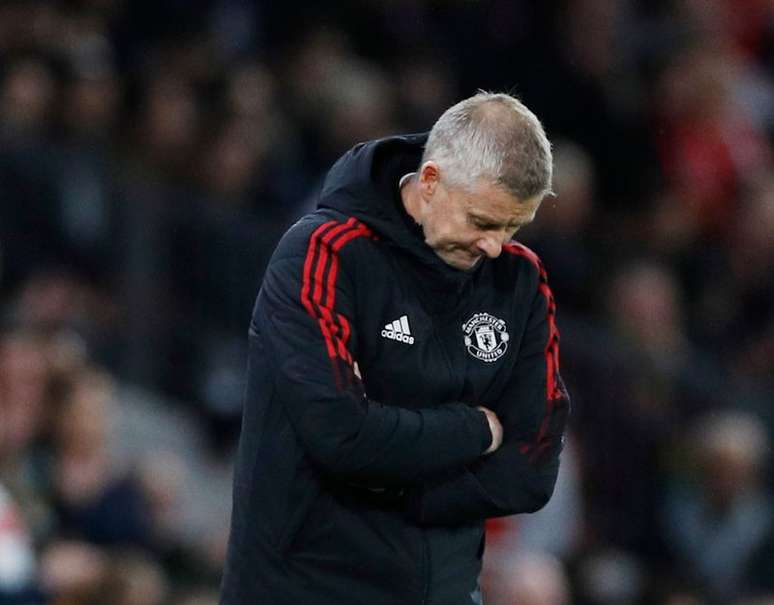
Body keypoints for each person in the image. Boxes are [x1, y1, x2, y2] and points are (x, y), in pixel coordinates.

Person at [220, 92, 570, 605]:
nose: (495, 246)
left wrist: (394, 482)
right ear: (430, 182)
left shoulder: (520, 280)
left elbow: (533, 466)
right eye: (482, 221)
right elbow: (339, 434)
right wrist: (475, 428)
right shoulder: (324, 254)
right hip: (306, 587)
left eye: (513, 226)